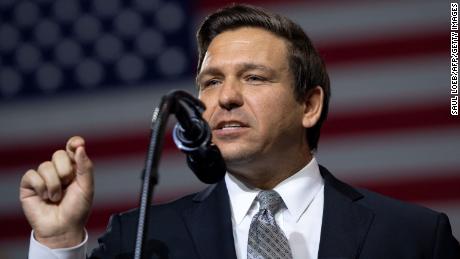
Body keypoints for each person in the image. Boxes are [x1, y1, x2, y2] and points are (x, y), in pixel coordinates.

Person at [20, 4, 459, 259]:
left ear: (309, 105)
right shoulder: (141, 239)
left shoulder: (413, 237)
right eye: (210, 82)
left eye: (253, 77)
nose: (224, 98)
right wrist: (57, 241)